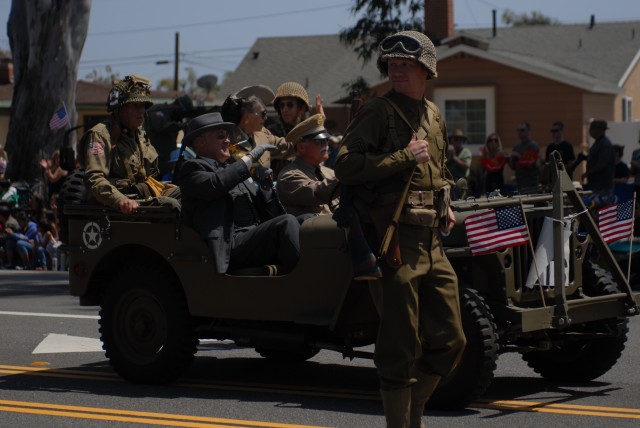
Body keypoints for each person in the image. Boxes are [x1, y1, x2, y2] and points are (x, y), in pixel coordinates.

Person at [334, 30, 466, 428]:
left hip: (431, 240)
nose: (397, 70)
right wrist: (401, 156)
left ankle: (414, 413)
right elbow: (345, 165)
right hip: (394, 239)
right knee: (399, 346)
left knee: (451, 339)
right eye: (391, 64)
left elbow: (440, 172)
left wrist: (448, 202)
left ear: (426, 69)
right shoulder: (378, 111)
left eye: (405, 65)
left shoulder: (434, 114)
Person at [177, 112, 299, 275]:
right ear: (201, 141)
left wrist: (266, 190)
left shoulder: (232, 170)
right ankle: (304, 278)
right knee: (287, 223)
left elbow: (265, 213)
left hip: (252, 238)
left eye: (227, 136)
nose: (228, 141)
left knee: (307, 221)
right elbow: (216, 184)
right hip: (228, 246)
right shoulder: (192, 168)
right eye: (221, 136)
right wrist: (250, 157)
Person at [82, 75, 180, 215]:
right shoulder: (101, 135)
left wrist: (160, 186)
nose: (142, 111)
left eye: (144, 106)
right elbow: (94, 179)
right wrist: (119, 200)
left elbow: (141, 177)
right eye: (135, 105)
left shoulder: (139, 135)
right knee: (172, 206)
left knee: (187, 195)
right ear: (119, 108)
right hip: (117, 205)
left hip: (140, 196)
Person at [277, 114, 340, 220]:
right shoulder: (288, 176)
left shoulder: (330, 172)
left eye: (326, 140)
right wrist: (345, 174)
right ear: (301, 147)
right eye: (319, 141)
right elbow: (319, 192)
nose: (325, 144)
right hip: (315, 234)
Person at [221, 93, 294, 170]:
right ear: (247, 117)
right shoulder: (228, 143)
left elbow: (289, 147)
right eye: (263, 114)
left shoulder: (263, 135)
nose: (266, 118)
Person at [508, 122, 541, 194]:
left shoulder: (532, 145)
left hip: (531, 182)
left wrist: (518, 156)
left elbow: (531, 163)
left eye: (522, 130)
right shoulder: (516, 147)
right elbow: (513, 167)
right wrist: (507, 160)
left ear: (528, 131)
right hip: (520, 182)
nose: (519, 132)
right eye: (518, 130)